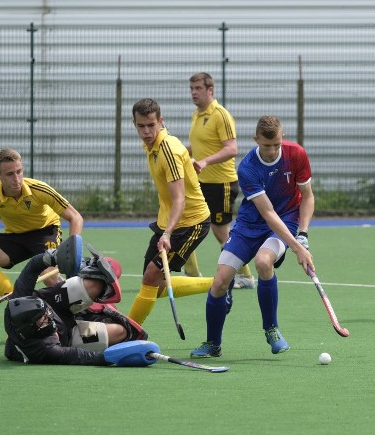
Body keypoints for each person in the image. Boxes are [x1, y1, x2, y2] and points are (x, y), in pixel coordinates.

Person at [190, 115, 315, 358]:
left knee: (263, 262)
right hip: (249, 225)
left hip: (286, 220)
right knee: (220, 281)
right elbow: (267, 213)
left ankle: (271, 329)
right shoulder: (247, 167)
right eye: (266, 145)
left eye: (276, 144)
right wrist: (298, 250)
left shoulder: (296, 154)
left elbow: (307, 197)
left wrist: (302, 234)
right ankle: (213, 343)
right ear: (255, 139)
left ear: (282, 138)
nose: (271, 151)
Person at [126, 98, 215, 325]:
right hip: (168, 221)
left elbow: (179, 200)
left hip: (191, 223)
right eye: (141, 126)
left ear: (161, 122)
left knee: (151, 276)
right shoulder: (152, 145)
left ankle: (125, 332)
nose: (146, 131)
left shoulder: (167, 150)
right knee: (153, 287)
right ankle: (218, 283)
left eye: (151, 125)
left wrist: (167, 235)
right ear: (134, 124)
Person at [4, 237, 151, 366]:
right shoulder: (45, 349)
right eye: (43, 320)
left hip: (55, 302)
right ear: (32, 328)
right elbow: (84, 357)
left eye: (45, 312)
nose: (49, 316)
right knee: (121, 332)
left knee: (96, 283)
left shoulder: (18, 300)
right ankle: (86, 315)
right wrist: (117, 358)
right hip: (68, 335)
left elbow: (33, 265)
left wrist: (53, 256)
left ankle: (83, 275)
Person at [0, 148, 83, 297]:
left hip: (45, 231)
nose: (16, 179)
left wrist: (71, 250)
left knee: (49, 276)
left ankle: (76, 303)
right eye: (9, 174)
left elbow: (75, 217)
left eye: (19, 171)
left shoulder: (39, 190)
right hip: (15, 236)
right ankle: (16, 297)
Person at [183, 72, 256, 290]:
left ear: (210, 90)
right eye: (192, 88)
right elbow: (198, 147)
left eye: (198, 88)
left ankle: (245, 276)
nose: (194, 92)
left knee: (220, 231)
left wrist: (205, 162)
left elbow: (231, 149)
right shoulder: (197, 114)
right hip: (200, 182)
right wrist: (177, 151)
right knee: (187, 223)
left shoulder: (221, 115)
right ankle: (192, 274)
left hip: (221, 183)